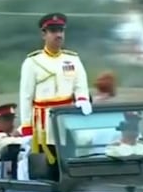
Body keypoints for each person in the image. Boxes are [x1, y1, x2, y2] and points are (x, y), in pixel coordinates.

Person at [19, 12, 91, 164]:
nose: (58, 35)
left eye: (61, 30)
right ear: (43, 34)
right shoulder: (33, 62)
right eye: (53, 31)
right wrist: (27, 128)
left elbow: (80, 85)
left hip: (67, 120)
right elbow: (26, 97)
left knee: (71, 162)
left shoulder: (72, 59)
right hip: (44, 123)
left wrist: (82, 99)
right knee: (47, 165)